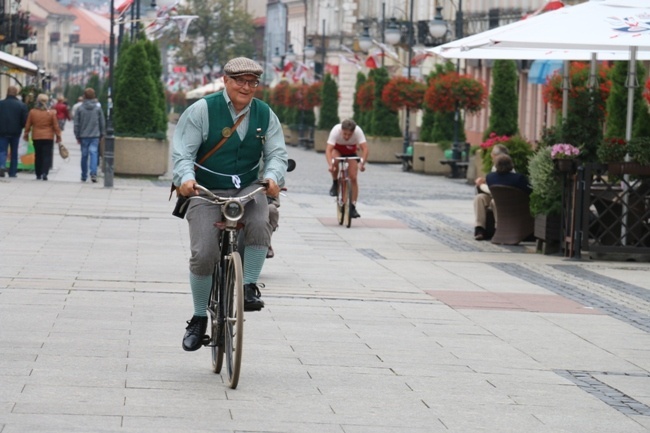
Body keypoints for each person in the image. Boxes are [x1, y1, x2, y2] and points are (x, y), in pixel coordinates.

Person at [172, 57, 288, 352]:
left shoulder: (265, 114)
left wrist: (273, 176)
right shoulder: (202, 110)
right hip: (204, 187)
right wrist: (186, 178)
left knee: (262, 222)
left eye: (252, 82)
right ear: (225, 80)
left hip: (248, 186)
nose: (246, 87)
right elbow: (183, 153)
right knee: (204, 253)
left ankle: (248, 286)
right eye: (240, 81)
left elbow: (277, 153)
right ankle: (198, 317)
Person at [325, 119, 369, 219]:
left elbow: (365, 149)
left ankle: (353, 206)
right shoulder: (335, 130)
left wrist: (362, 163)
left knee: (353, 177)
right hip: (338, 149)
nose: (346, 137)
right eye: (344, 134)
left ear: (353, 132)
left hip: (350, 151)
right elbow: (328, 149)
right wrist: (330, 165)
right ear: (341, 130)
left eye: (349, 135)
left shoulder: (358, 131)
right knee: (335, 161)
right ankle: (335, 182)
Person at [473, 144, 510, 240]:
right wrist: (485, 180)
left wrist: (481, 185)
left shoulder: (509, 170)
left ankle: (498, 229)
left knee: (495, 201)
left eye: (492, 155)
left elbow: (494, 187)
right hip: (494, 195)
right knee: (479, 198)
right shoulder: (494, 168)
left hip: (503, 198)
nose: (491, 156)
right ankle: (479, 228)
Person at [23, 93, 61, 181]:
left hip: (36, 136)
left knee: (38, 155)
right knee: (47, 155)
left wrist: (26, 134)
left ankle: (38, 174)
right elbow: (55, 126)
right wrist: (58, 136)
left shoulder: (33, 112)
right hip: (48, 137)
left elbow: (28, 124)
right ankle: (45, 173)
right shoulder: (51, 113)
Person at [74, 88, 105, 183]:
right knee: (94, 153)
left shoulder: (80, 108)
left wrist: (77, 135)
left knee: (84, 155)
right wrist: (102, 133)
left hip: (83, 135)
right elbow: (102, 122)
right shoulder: (98, 108)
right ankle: (93, 173)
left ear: (84, 96)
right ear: (94, 96)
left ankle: (84, 175)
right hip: (95, 135)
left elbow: (76, 123)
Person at [0, 86, 28, 178]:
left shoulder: (1, 104)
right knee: (14, 152)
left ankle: (2, 166)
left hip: (2, 131)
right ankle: (12, 172)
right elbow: (24, 121)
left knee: (2, 150)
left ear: (7, 93)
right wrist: (21, 127)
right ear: (16, 93)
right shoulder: (22, 105)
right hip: (15, 132)